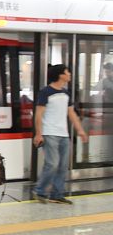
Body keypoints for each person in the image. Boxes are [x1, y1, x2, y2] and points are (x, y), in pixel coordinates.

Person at [33, 63, 88, 204]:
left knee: (63, 166)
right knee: (52, 164)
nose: (69, 74)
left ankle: (56, 194)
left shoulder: (65, 93)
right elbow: (38, 114)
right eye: (67, 72)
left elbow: (71, 113)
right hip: (49, 132)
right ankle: (39, 191)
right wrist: (38, 134)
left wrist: (80, 130)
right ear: (60, 75)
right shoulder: (45, 92)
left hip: (63, 134)